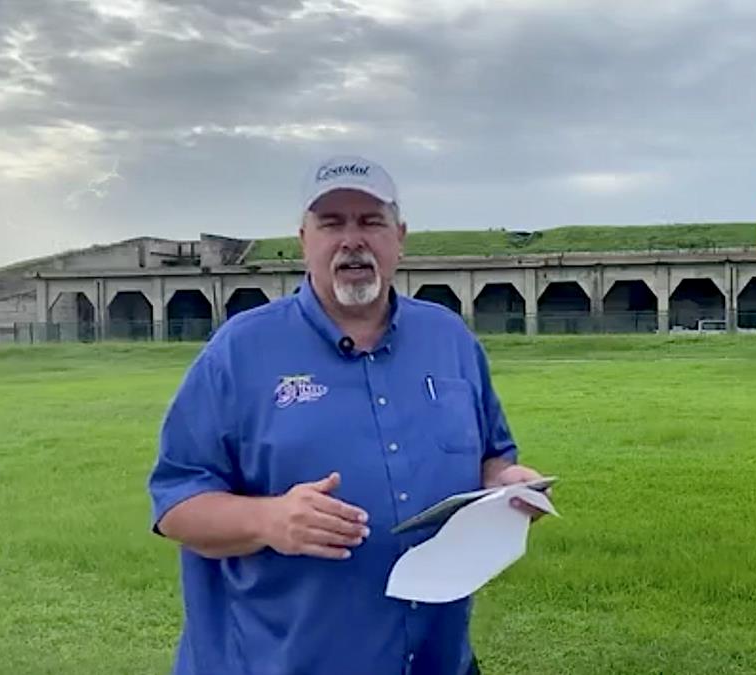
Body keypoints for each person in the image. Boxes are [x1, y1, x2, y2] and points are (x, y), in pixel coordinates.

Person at [146, 154, 548, 675]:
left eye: (371, 221)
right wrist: (268, 519)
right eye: (332, 223)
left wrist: (508, 482)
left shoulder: (449, 340)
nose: (352, 239)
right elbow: (176, 503)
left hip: (438, 660)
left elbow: (492, 457)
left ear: (399, 237)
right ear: (303, 240)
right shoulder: (240, 352)